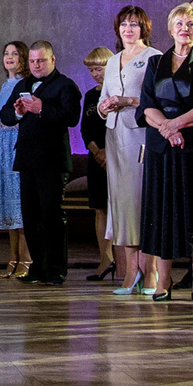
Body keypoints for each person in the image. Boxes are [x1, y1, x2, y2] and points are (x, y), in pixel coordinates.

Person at [138, 3, 193, 301]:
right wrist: (166, 129)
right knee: (161, 213)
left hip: (192, 145)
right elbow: (146, 106)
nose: (185, 29)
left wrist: (176, 126)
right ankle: (163, 281)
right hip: (161, 147)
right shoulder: (155, 63)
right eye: (180, 24)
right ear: (170, 29)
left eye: (191, 24)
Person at [3, 40, 82, 286]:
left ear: (52, 59)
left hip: (52, 160)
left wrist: (40, 108)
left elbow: (71, 117)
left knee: (51, 216)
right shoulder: (23, 84)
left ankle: (56, 270)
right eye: (33, 61)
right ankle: (37, 267)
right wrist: (17, 112)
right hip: (27, 159)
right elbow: (5, 115)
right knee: (31, 216)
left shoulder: (65, 85)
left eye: (41, 60)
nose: (36, 65)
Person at [100, 10, 159, 296]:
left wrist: (127, 100)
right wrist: (103, 107)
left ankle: (151, 272)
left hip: (140, 135)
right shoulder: (112, 61)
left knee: (140, 203)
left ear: (144, 28)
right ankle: (130, 270)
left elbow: (155, 98)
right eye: (123, 24)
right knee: (122, 205)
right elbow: (102, 98)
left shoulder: (154, 57)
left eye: (134, 24)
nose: (128, 29)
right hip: (115, 136)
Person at [0, 39, 28, 278]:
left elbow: (20, 117)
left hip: (15, 146)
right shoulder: (5, 85)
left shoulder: (25, 84)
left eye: (14, 53)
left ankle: (27, 257)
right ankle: (13, 256)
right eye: (6, 53)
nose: (9, 57)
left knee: (20, 204)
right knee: (8, 206)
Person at [80, 46, 113, 281]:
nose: (95, 74)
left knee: (117, 210)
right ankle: (105, 259)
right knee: (99, 209)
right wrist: (97, 151)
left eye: (98, 69)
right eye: (91, 69)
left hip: (116, 157)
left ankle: (122, 262)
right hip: (96, 159)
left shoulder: (115, 94)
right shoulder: (90, 96)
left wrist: (108, 153)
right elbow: (85, 129)